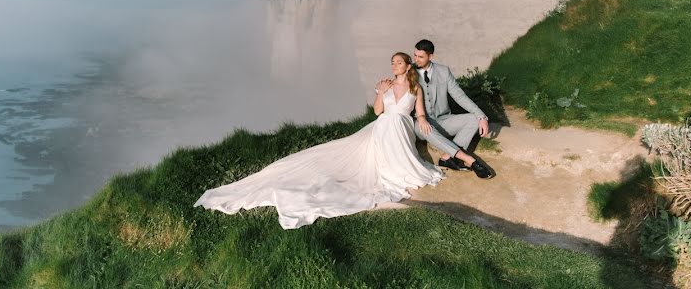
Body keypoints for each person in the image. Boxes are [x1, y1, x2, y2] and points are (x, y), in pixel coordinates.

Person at [193, 52, 444, 229]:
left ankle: (399, 166)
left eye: (398, 62)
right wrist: (380, 92)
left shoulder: (415, 89)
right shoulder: (386, 85)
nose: (394, 65)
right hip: (383, 124)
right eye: (392, 62)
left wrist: (421, 120)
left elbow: (418, 111)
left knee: (400, 148)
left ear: (408, 66)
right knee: (353, 153)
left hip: (402, 125)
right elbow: (378, 111)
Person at [402, 39, 494, 179]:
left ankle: (447, 158)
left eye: (420, 57)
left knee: (473, 120)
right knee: (427, 128)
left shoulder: (443, 71)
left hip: (443, 120)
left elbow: (459, 96)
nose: (416, 59)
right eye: (415, 55)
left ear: (430, 56)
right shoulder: (410, 72)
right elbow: (396, 87)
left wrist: (481, 116)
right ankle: (470, 160)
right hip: (419, 123)